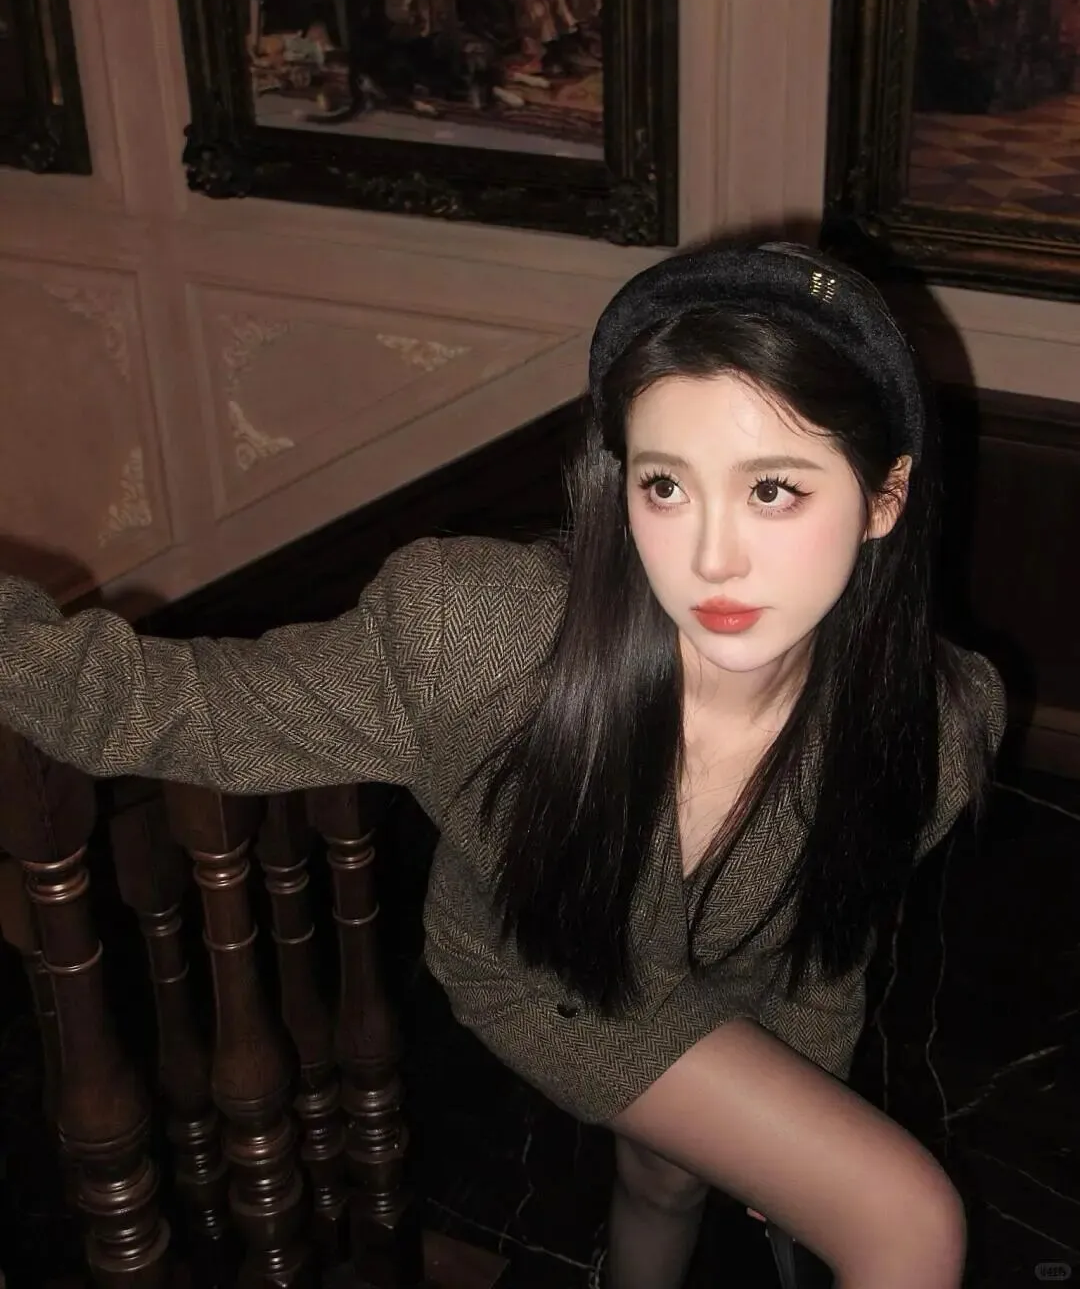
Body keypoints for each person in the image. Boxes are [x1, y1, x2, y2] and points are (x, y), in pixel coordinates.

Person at [0, 242, 1004, 1289]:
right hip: (540, 976)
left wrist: (806, 1093)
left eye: (774, 491)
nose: (712, 558)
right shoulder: (482, 639)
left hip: (728, 989)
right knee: (906, 1218)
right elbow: (179, 708)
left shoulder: (936, 727)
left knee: (667, 1177)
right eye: (666, 485)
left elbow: (830, 938)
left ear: (885, 498)